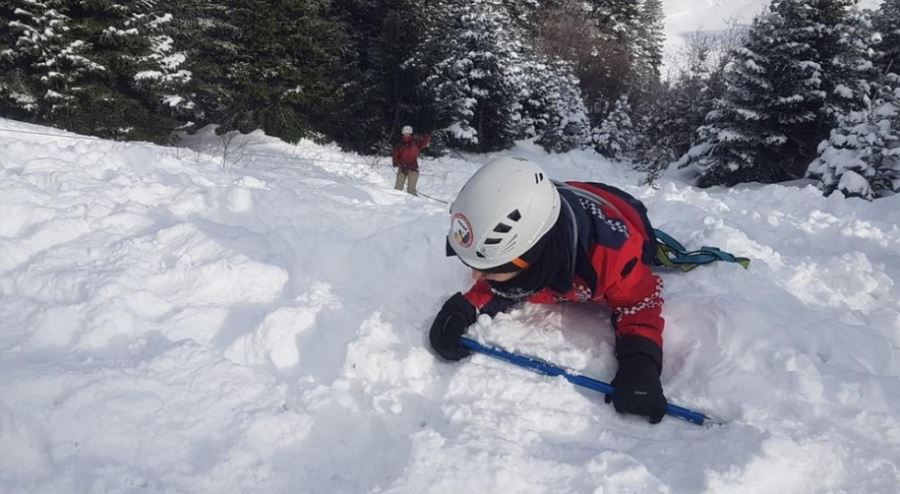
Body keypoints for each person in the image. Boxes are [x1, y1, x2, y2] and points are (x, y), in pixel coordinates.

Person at [430, 156, 668, 424]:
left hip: (625, 211)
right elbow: (503, 282)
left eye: (488, 268)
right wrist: (463, 309)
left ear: (531, 257)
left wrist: (640, 362)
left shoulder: (613, 256)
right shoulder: (529, 243)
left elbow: (640, 303)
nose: (475, 276)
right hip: (570, 197)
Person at [392, 125, 431, 196]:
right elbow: (395, 154)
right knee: (398, 188)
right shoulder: (399, 144)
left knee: (411, 190)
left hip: (413, 168)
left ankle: (413, 205)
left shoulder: (416, 142)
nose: (407, 135)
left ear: (411, 133)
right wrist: (395, 162)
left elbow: (424, 143)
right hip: (402, 168)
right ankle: (395, 203)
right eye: (405, 133)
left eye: (408, 133)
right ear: (402, 133)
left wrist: (427, 135)